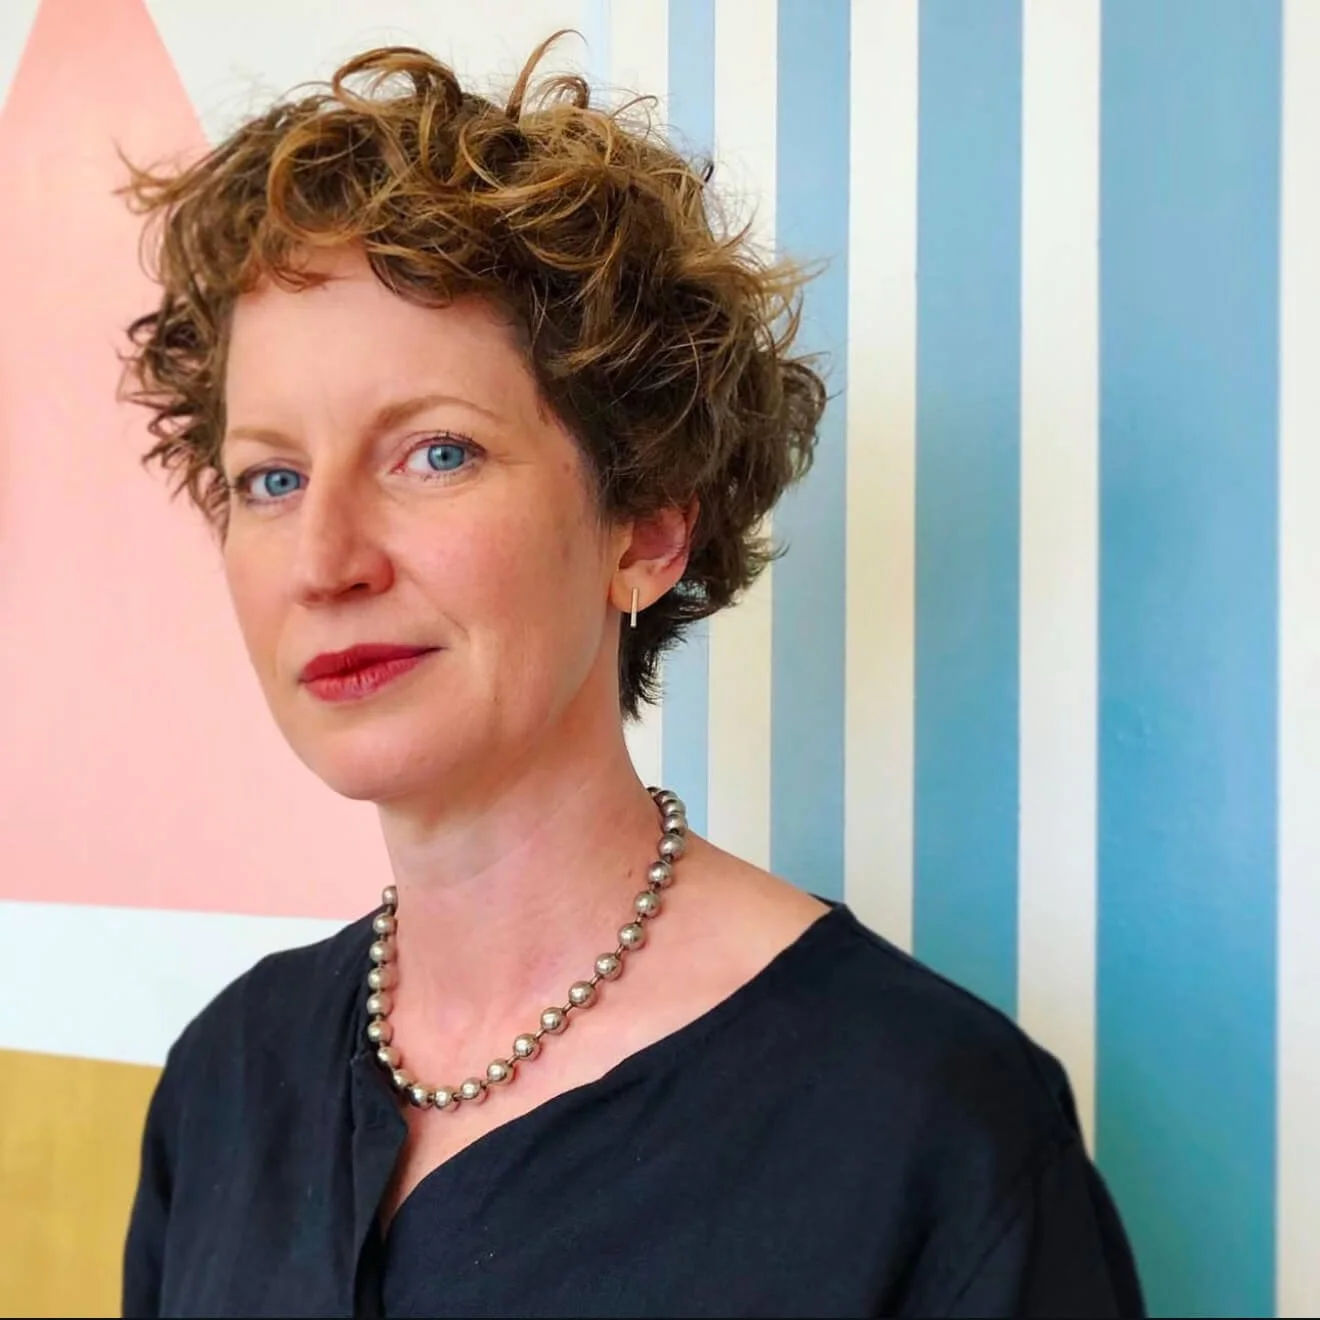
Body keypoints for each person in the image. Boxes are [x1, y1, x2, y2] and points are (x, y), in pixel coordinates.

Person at [117, 34, 1145, 1319]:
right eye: (272, 477)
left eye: (433, 453)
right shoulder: (225, 1080)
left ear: (649, 527)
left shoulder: (927, 1127)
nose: (323, 559)